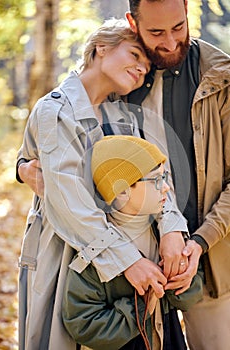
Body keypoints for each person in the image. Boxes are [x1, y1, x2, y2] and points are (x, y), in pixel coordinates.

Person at [17, 18, 188, 350]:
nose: (142, 69)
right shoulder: (55, 110)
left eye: (146, 65)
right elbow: (69, 202)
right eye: (135, 55)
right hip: (72, 259)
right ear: (100, 48)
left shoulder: (125, 115)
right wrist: (126, 260)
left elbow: (158, 175)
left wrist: (171, 229)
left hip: (139, 264)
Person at [123, 1, 230, 349]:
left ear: (188, 10)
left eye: (179, 27)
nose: (170, 43)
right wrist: (24, 164)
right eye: (156, 33)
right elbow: (67, 109)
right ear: (132, 23)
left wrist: (198, 243)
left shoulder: (222, 77)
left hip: (211, 262)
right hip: (134, 265)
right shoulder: (116, 64)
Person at [62, 135, 203, 350]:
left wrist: (182, 280)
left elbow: (191, 295)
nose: (165, 187)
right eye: (156, 180)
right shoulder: (98, 252)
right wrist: (142, 306)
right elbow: (82, 323)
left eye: (164, 177)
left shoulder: (165, 237)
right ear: (122, 190)